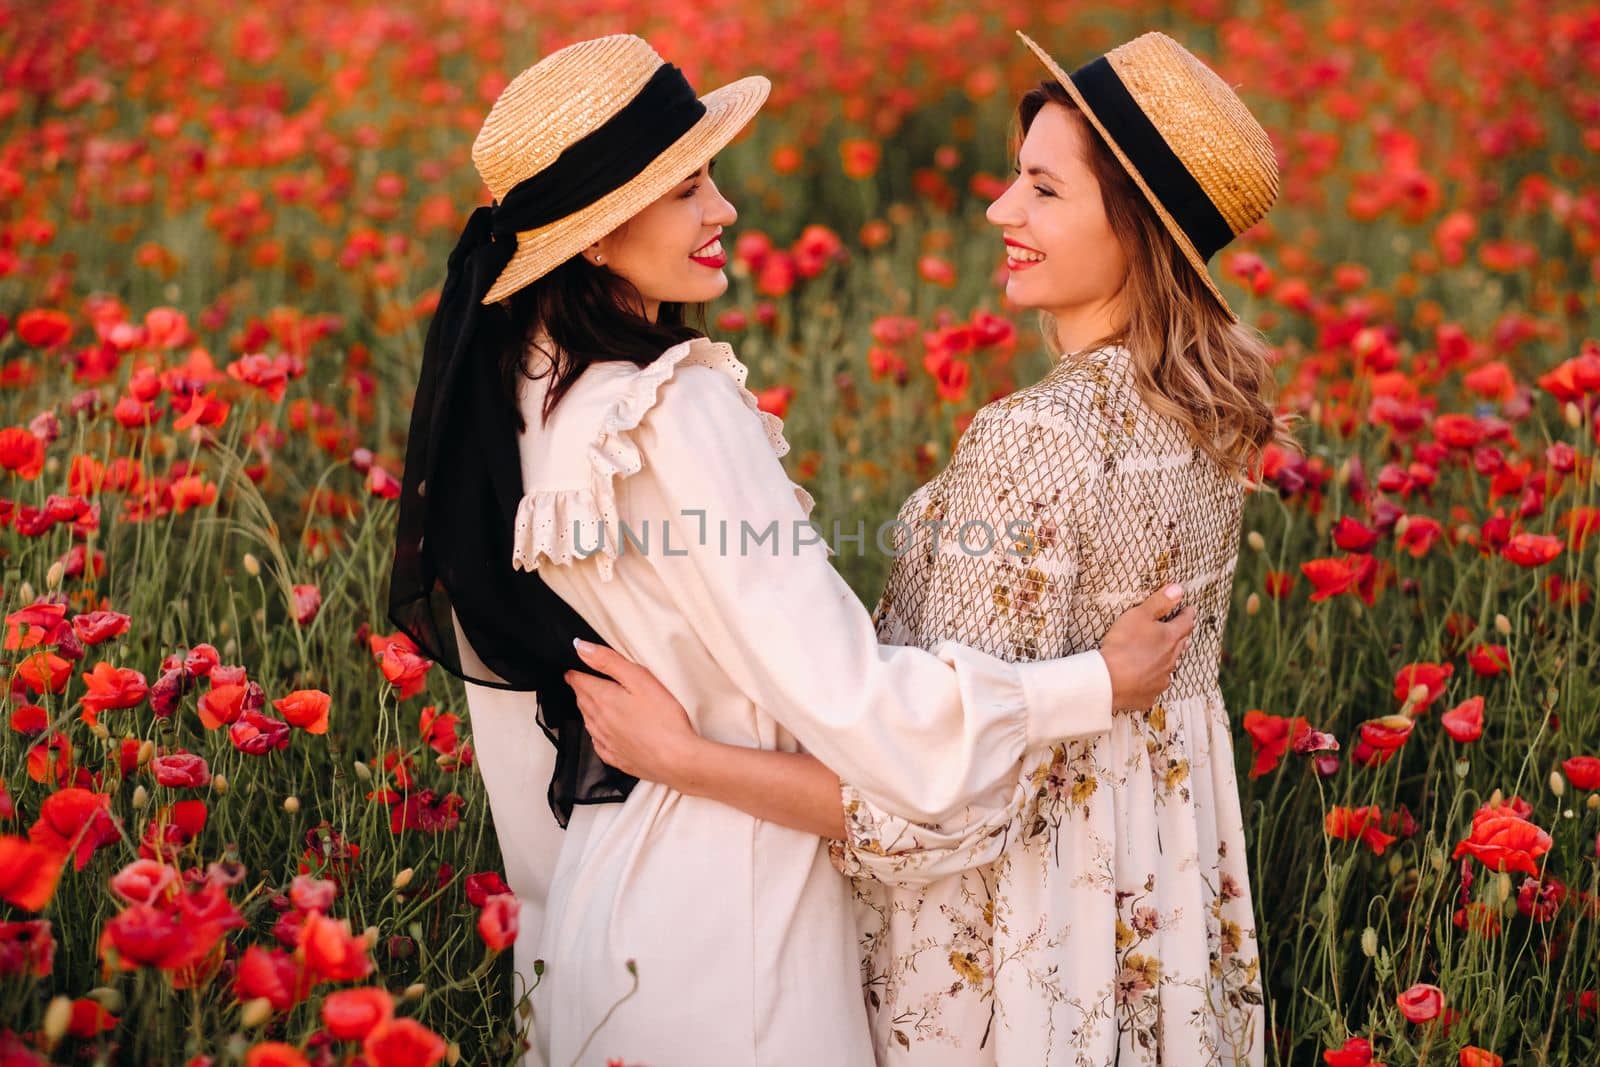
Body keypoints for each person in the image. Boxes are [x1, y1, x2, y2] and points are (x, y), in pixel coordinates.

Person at [385, 34, 1194, 1067]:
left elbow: (520, 744)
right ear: (593, 235)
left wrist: (551, 922)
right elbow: (856, 703)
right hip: (736, 918)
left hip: (600, 907)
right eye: (684, 189)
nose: (722, 209)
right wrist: (1089, 685)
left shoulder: (527, 406)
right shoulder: (669, 409)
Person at [569, 30, 1289, 1066]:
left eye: (1043, 189)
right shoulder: (1206, 419)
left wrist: (685, 759)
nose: (1002, 210)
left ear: (1134, 227)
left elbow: (931, 800)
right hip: (1157, 912)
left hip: (1017, 946)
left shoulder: (1036, 437)